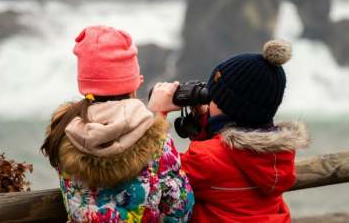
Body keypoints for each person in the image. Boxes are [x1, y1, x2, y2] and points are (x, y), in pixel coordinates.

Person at [41, 26, 194, 222]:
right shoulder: (157, 142)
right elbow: (180, 210)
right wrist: (160, 117)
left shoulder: (63, 132)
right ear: (134, 83)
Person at [150, 39, 310, 222]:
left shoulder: (206, 158)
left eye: (214, 98)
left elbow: (158, 174)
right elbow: (227, 156)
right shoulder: (280, 153)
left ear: (228, 106)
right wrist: (204, 120)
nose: (209, 102)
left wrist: (158, 115)